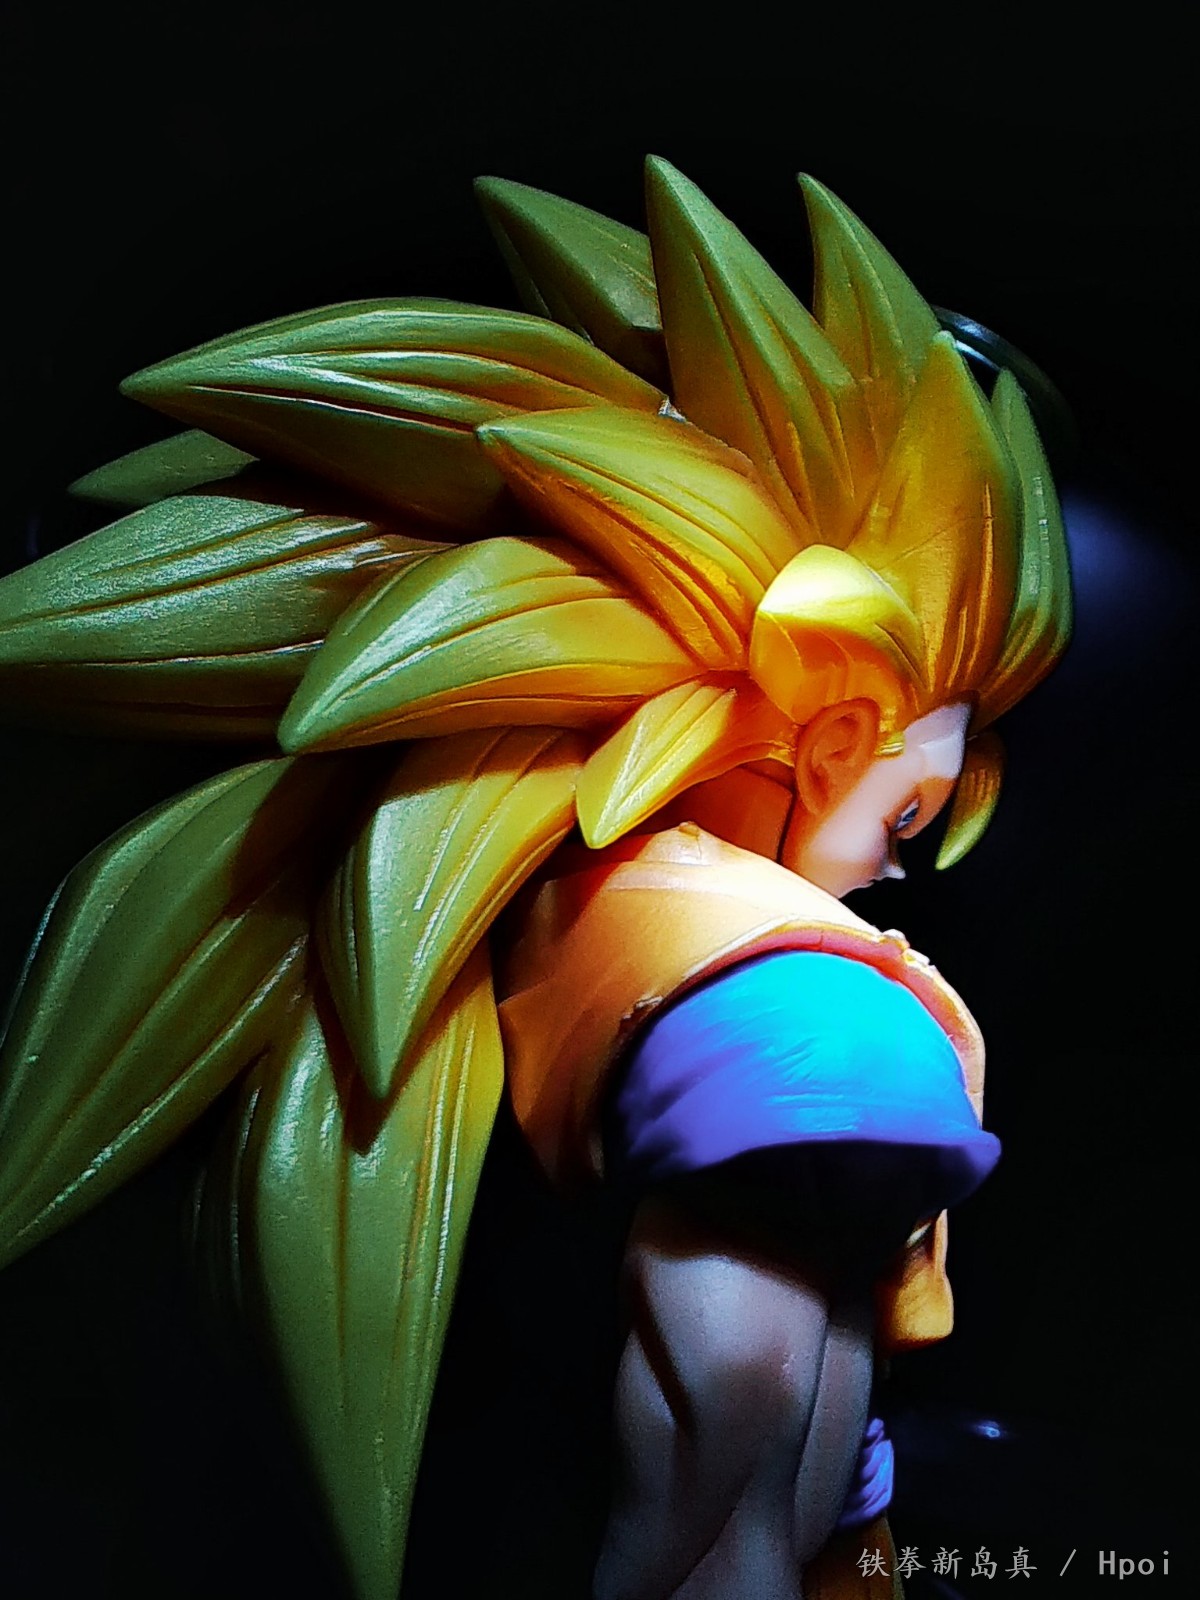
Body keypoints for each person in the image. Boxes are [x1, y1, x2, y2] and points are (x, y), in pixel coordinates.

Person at [0, 157, 1069, 1599]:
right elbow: (745, 1416)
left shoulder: (693, 926)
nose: (902, 858)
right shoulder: (766, 982)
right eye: (913, 806)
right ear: (830, 732)